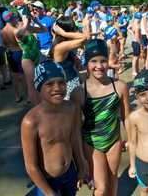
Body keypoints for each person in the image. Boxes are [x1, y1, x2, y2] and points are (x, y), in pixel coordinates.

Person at [21, 60, 88, 196]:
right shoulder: (31, 121)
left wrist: (81, 165)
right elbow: (31, 167)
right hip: (46, 181)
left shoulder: (71, 108)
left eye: (61, 82)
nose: (57, 88)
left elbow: (75, 138)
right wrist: (49, 193)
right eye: (49, 84)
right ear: (39, 87)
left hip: (70, 173)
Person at [72, 39, 130, 196]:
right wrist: (80, 158)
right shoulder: (79, 92)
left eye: (103, 61)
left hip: (113, 141)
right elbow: (76, 128)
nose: (99, 66)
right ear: (87, 63)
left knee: (112, 180)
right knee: (100, 188)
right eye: (93, 61)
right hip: (91, 144)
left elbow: (127, 119)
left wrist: (132, 141)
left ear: (108, 61)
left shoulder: (119, 86)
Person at [51, 16, 88, 100]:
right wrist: (64, 33)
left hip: (70, 81)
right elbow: (85, 38)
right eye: (73, 29)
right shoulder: (61, 46)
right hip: (69, 85)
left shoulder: (58, 41)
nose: (75, 31)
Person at [1, 10, 25, 103]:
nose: (16, 19)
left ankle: (17, 96)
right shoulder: (15, 31)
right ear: (11, 18)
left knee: (14, 76)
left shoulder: (2, 31)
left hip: (9, 53)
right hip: (17, 53)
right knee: (22, 76)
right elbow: (22, 44)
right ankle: (28, 97)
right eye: (14, 17)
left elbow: (3, 45)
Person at [128, 11, 142, 77]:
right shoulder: (137, 26)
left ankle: (136, 69)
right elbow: (137, 37)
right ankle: (134, 71)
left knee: (136, 57)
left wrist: (131, 33)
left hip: (134, 42)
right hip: (136, 42)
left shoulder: (133, 23)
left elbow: (128, 28)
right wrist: (141, 44)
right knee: (135, 57)